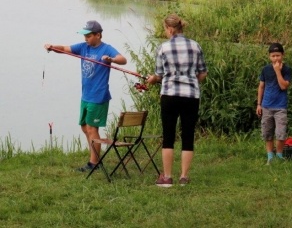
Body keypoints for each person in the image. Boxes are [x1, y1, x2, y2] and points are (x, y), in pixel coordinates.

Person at [44, 20, 127, 172]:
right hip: (86, 96)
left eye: (88, 36)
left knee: (92, 129)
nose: (85, 38)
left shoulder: (106, 48)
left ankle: (94, 163)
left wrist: (111, 59)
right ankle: (94, 157)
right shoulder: (83, 47)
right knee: (84, 127)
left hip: (98, 96)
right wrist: (52, 47)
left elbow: (123, 60)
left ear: (98, 35)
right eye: (85, 36)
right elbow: (64, 48)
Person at [146, 14, 208, 187]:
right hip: (191, 96)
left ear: (171, 29)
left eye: (165, 29)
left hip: (169, 95)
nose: (165, 32)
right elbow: (203, 73)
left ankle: (167, 177)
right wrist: (192, 80)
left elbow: (158, 75)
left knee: (168, 136)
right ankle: (184, 177)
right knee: (188, 136)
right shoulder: (196, 46)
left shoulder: (163, 48)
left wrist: (153, 79)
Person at [256, 43, 292, 165]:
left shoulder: (287, 69)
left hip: (280, 107)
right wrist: (259, 104)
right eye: (273, 56)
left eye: (278, 55)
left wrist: (277, 71)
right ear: (269, 57)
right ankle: (270, 156)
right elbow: (261, 87)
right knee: (267, 132)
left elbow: (283, 86)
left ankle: (280, 155)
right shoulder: (265, 70)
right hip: (266, 106)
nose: (276, 58)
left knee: (281, 133)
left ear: (283, 55)